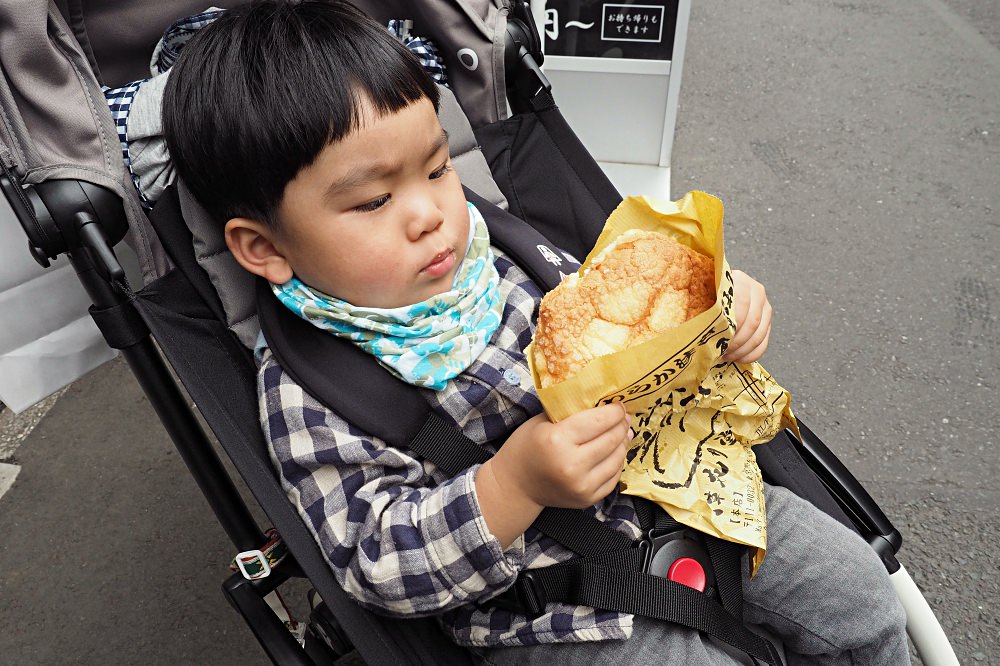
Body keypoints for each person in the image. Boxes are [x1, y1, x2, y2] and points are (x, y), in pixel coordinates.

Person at [161, 1, 909, 664]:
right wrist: (506, 488)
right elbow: (372, 556)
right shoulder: (307, 390)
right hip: (550, 605)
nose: (429, 214)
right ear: (266, 249)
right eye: (372, 201)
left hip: (690, 487)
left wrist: (718, 312)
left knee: (861, 595)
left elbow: (632, 314)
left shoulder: (499, 248)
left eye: (435, 169)